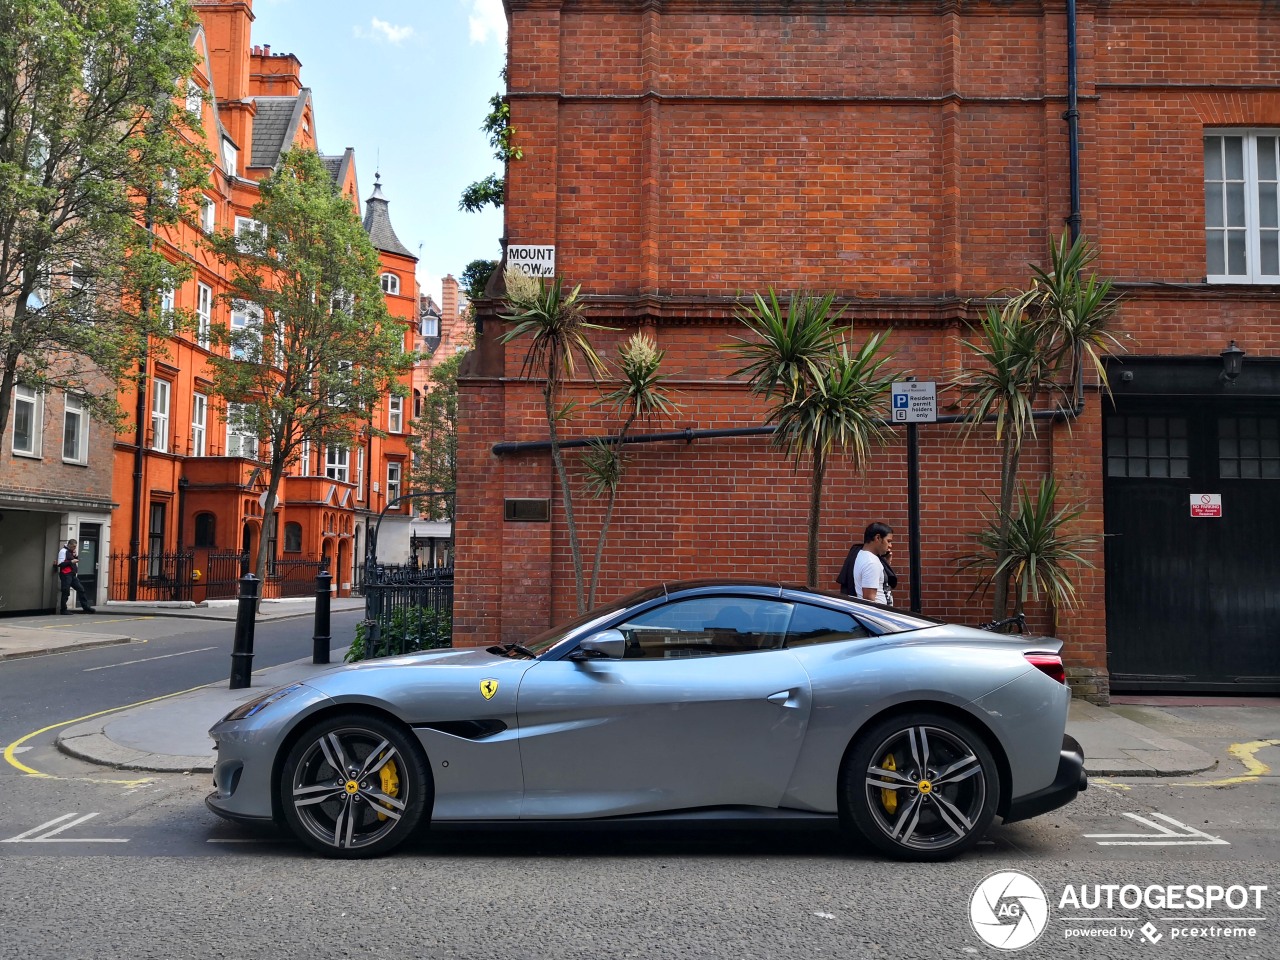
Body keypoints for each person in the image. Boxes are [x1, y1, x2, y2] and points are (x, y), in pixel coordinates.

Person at [835, 522, 894, 604]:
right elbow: (869, 599)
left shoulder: (860, 554)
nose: (890, 545)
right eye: (888, 541)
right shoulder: (872, 563)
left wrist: (886, 564)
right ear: (878, 538)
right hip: (877, 614)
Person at [57, 538, 95, 614]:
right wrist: (71, 561)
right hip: (65, 574)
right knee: (66, 591)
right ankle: (63, 609)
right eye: (73, 546)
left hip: (72, 574)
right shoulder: (63, 551)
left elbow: (73, 560)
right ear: (69, 545)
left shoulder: (72, 552)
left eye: (75, 546)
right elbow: (60, 564)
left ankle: (86, 607)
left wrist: (75, 556)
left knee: (81, 589)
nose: (74, 548)